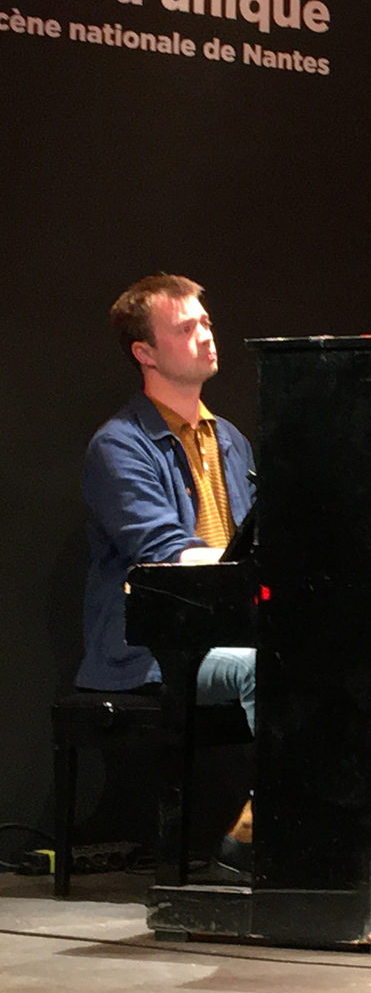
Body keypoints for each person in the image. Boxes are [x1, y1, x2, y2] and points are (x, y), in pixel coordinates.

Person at [79, 273, 257, 866]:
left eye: (205, 322)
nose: (206, 335)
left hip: (225, 630)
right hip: (153, 648)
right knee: (270, 669)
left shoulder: (230, 439)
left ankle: (312, 827)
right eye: (185, 328)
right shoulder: (119, 445)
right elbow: (165, 551)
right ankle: (262, 836)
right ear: (145, 353)